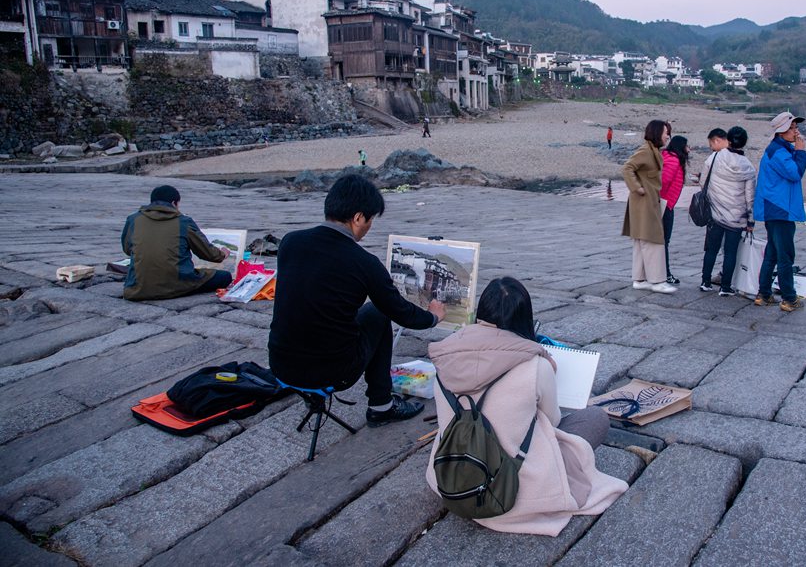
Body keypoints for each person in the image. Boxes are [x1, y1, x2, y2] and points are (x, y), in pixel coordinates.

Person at [425, 277, 627, 536]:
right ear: (524, 319)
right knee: (596, 418)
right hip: (513, 486)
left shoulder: (444, 355)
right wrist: (547, 376)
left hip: (450, 473)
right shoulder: (535, 364)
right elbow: (552, 422)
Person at [268, 174, 446, 425]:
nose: (369, 226)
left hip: (280, 365)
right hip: (333, 372)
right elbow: (401, 312)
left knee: (359, 313)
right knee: (379, 313)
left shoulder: (290, 242)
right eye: (370, 219)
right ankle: (381, 406)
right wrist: (434, 317)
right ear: (358, 217)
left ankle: (320, 394)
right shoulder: (363, 262)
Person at [121, 185, 232, 301]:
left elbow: (128, 249)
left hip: (136, 289)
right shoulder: (183, 221)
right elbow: (210, 254)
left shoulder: (133, 219)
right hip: (176, 285)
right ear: (174, 203)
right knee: (225, 277)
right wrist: (222, 253)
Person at [753, 111, 806, 312]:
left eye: (795, 127)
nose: (796, 131)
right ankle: (789, 298)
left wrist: (796, 150)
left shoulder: (779, 149)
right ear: (782, 131)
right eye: (793, 128)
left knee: (773, 253)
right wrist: (801, 152)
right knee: (785, 255)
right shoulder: (778, 151)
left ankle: (764, 294)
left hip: (775, 208)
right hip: (780, 209)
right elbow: (794, 173)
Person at [700, 127, 756, 296]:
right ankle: (725, 287)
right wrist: (751, 221)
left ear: (729, 140)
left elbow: (703, 181)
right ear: (744, 143)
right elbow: (750, 197)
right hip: (736, 218)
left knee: (711, 249)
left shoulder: (715, 157)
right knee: (731, 252)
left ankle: (705, 282)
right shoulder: (748, 167)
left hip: (716, 213)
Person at [622, 120, 676, 293]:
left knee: (641, 240)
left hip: (646, 202)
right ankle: (657, 280)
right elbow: (627, 167)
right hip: (644, 202)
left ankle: (639, 279)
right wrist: (637, 187)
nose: (668, 136)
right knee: (653, 239)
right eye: (666, 132)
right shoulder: (646, 151)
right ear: (657, 133)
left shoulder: (653, 151)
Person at [660, 135, 688, 285]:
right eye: (686, 146)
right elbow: (664, 181)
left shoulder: (668, 156)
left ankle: (660, 273)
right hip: (664, 204)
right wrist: (663, 201)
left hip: (664, 203)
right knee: (664, 241)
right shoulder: (673, 159)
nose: (688, 149)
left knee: (661, 241)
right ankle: (665, 273)